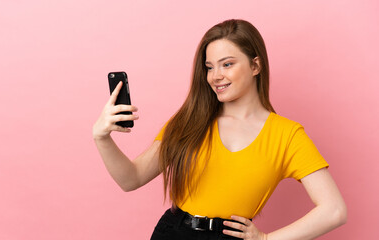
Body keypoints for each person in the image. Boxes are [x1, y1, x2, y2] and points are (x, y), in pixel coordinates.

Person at [92, 19, 347, 240]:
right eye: (209, 67)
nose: (215, 76)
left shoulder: (287, 135)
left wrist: (268, 238)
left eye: (227, 64)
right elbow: (131, 179)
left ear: (255, 66)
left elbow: (334, 210)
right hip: (174, 233)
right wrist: (102, 138)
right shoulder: (189, 121)